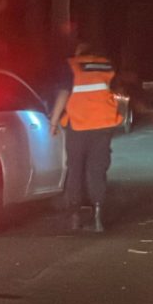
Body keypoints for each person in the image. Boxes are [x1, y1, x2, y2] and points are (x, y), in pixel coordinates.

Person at [49, 41, 123, 232]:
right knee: (97, 169)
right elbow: (116, 92)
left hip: (78, 125)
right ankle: (98, 217)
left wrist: (54, 121)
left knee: (75, 168)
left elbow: (64, 93)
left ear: (80, 52)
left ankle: (75, 216)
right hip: (103, 125)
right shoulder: (107, 65)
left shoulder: (72, 66)